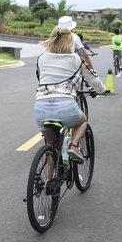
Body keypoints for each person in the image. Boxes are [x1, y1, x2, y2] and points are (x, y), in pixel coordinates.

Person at [35, 27, 106, 162]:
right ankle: (73, 146)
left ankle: (49, 181)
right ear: (70, 41)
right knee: (83, 121)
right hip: (65, 106)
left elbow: (41, 77)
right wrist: (101, 90)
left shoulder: (41, 58)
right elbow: (93, 79)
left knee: (51, 148)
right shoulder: (76, 59)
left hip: (41, 108)